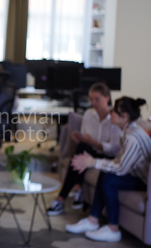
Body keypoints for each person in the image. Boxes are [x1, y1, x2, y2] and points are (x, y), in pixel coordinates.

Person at [65, 97, 151, 242]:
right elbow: (119, 162)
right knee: (106, 171)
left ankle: (113, 229)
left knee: (109, 179)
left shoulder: (133, 137)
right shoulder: (127, 132)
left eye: (114, 111)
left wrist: (93, 162)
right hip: (137, 175)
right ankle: (92, 220)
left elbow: (121, 168)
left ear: (124, 116)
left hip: (147, 182)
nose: (111, 113)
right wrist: (96, 163)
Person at [47, 82, 122, 215]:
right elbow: (85, 138)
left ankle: (64, 197)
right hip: (90, 151)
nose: (93, 102)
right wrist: (79, 138)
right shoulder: (88, 114)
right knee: (81, 148)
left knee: (81, 153)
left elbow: (114, 149)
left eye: (97, 99)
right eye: (91, 99)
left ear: (107, 98)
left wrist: (94, 143)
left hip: (106, 155)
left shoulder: (115, 119)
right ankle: (73, 191)